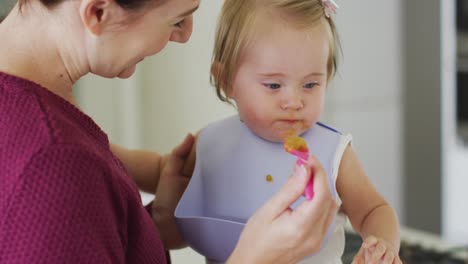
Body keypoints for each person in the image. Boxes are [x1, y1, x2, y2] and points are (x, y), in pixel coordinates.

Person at [0, 0, 339, 263]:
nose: (186, 35)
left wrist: (150, 229)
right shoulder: (56, 162)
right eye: (177, 20)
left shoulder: (36, 118)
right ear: (98, 13)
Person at [177, 0, 403, 263]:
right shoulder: (211, 142)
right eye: (274, 85)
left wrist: (383, 244)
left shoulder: (333, 152)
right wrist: (123, 159)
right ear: (226, 80)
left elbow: (373, 209)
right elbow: (165, 172)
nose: (294, 102)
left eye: (310, 84)